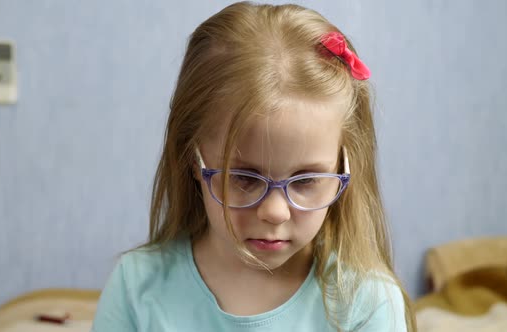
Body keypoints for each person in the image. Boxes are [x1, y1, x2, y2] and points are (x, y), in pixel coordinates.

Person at [92, 2, 416, 331]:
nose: (275, 212)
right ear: (193, 159)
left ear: (345, 167)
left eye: (305, 181)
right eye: (244, 178)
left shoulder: (366, 302)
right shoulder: (137, 287)